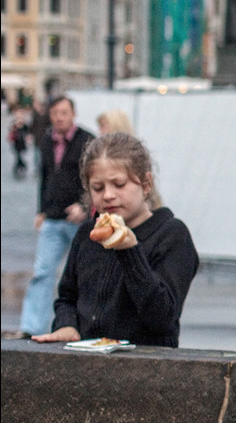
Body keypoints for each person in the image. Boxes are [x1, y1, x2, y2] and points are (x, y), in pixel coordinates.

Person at [31, 133, 199, 347]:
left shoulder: (172, 235)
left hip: (148, 367)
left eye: (119, 184)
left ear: (146, 184)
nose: (108, 195)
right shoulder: (87, 234)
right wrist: (67, 325)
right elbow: (67, 297)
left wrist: (130, 251)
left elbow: (162, 317)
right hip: (88, 363)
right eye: (98, 188)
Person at [12, 96, 94, 337]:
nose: (59, 117)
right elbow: (45, 178)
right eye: (55, 113)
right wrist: (41, 210)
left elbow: (94, 180)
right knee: (42, 272)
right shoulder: (46, 140)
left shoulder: (86, 141)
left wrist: (83, 205)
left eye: (64, 112)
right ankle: (31, 326)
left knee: (85, 275)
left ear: (73, 114)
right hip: (53, 219)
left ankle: (85, 326)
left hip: (80, 221)